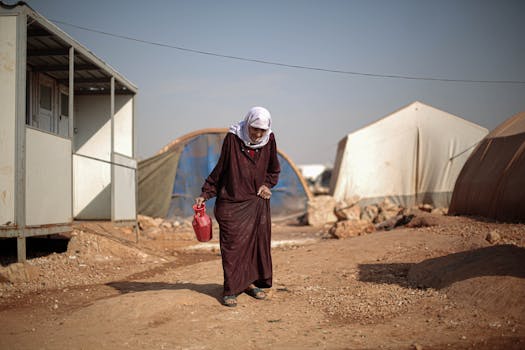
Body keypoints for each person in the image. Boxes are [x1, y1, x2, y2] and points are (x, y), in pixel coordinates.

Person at [195, 106, 280, 307]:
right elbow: (221, 168)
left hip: (256, 204)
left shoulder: (269, 141)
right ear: (247, 124)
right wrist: (205, 193)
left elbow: (273, 169)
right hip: (231, 203)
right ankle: (231, 289)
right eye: (254, 128)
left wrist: (267, 185)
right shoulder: (233, 139)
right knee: (232, 248)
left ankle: (250, 284)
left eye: (262, 130)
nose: (258, 134)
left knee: (254, 247)